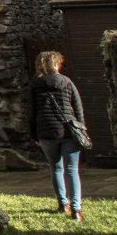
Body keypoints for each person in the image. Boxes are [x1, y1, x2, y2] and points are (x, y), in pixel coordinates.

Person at [27, 50, 91, 220]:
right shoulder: (67, 82)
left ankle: (63, 204)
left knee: (56, 168)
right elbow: (77, 108)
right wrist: (81, 129)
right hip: (69, 130)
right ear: (56, 64)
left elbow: (31, 112)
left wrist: (35, 136)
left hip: (46, 132)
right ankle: (76, 209)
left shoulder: (34, 84)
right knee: (72, 170)